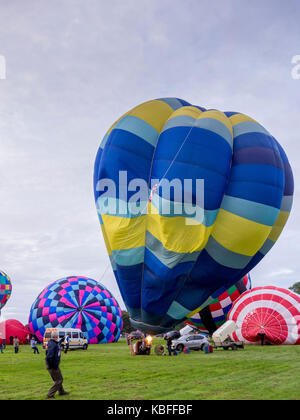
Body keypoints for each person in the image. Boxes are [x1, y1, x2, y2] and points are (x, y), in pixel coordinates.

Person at [45, 330, 69, 399]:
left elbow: (58, 343)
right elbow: (49, 356)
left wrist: (64, 338)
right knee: (59, 380)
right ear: (56, 337)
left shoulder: (53, 343)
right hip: (52, 365)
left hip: (52, 365)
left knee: (59, 378)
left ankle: (61, 391)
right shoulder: (52, 344)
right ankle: (50, 395)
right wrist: (53, 365)